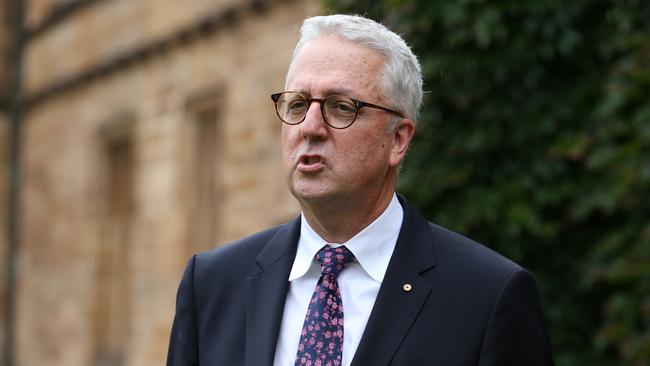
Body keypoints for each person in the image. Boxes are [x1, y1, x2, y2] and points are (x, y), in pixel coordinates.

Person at [167, 14, 554, 366]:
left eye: (340, 107)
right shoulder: (213, 284)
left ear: (398, 140)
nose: (310, 127)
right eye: (298, 104)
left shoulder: (487, 296)